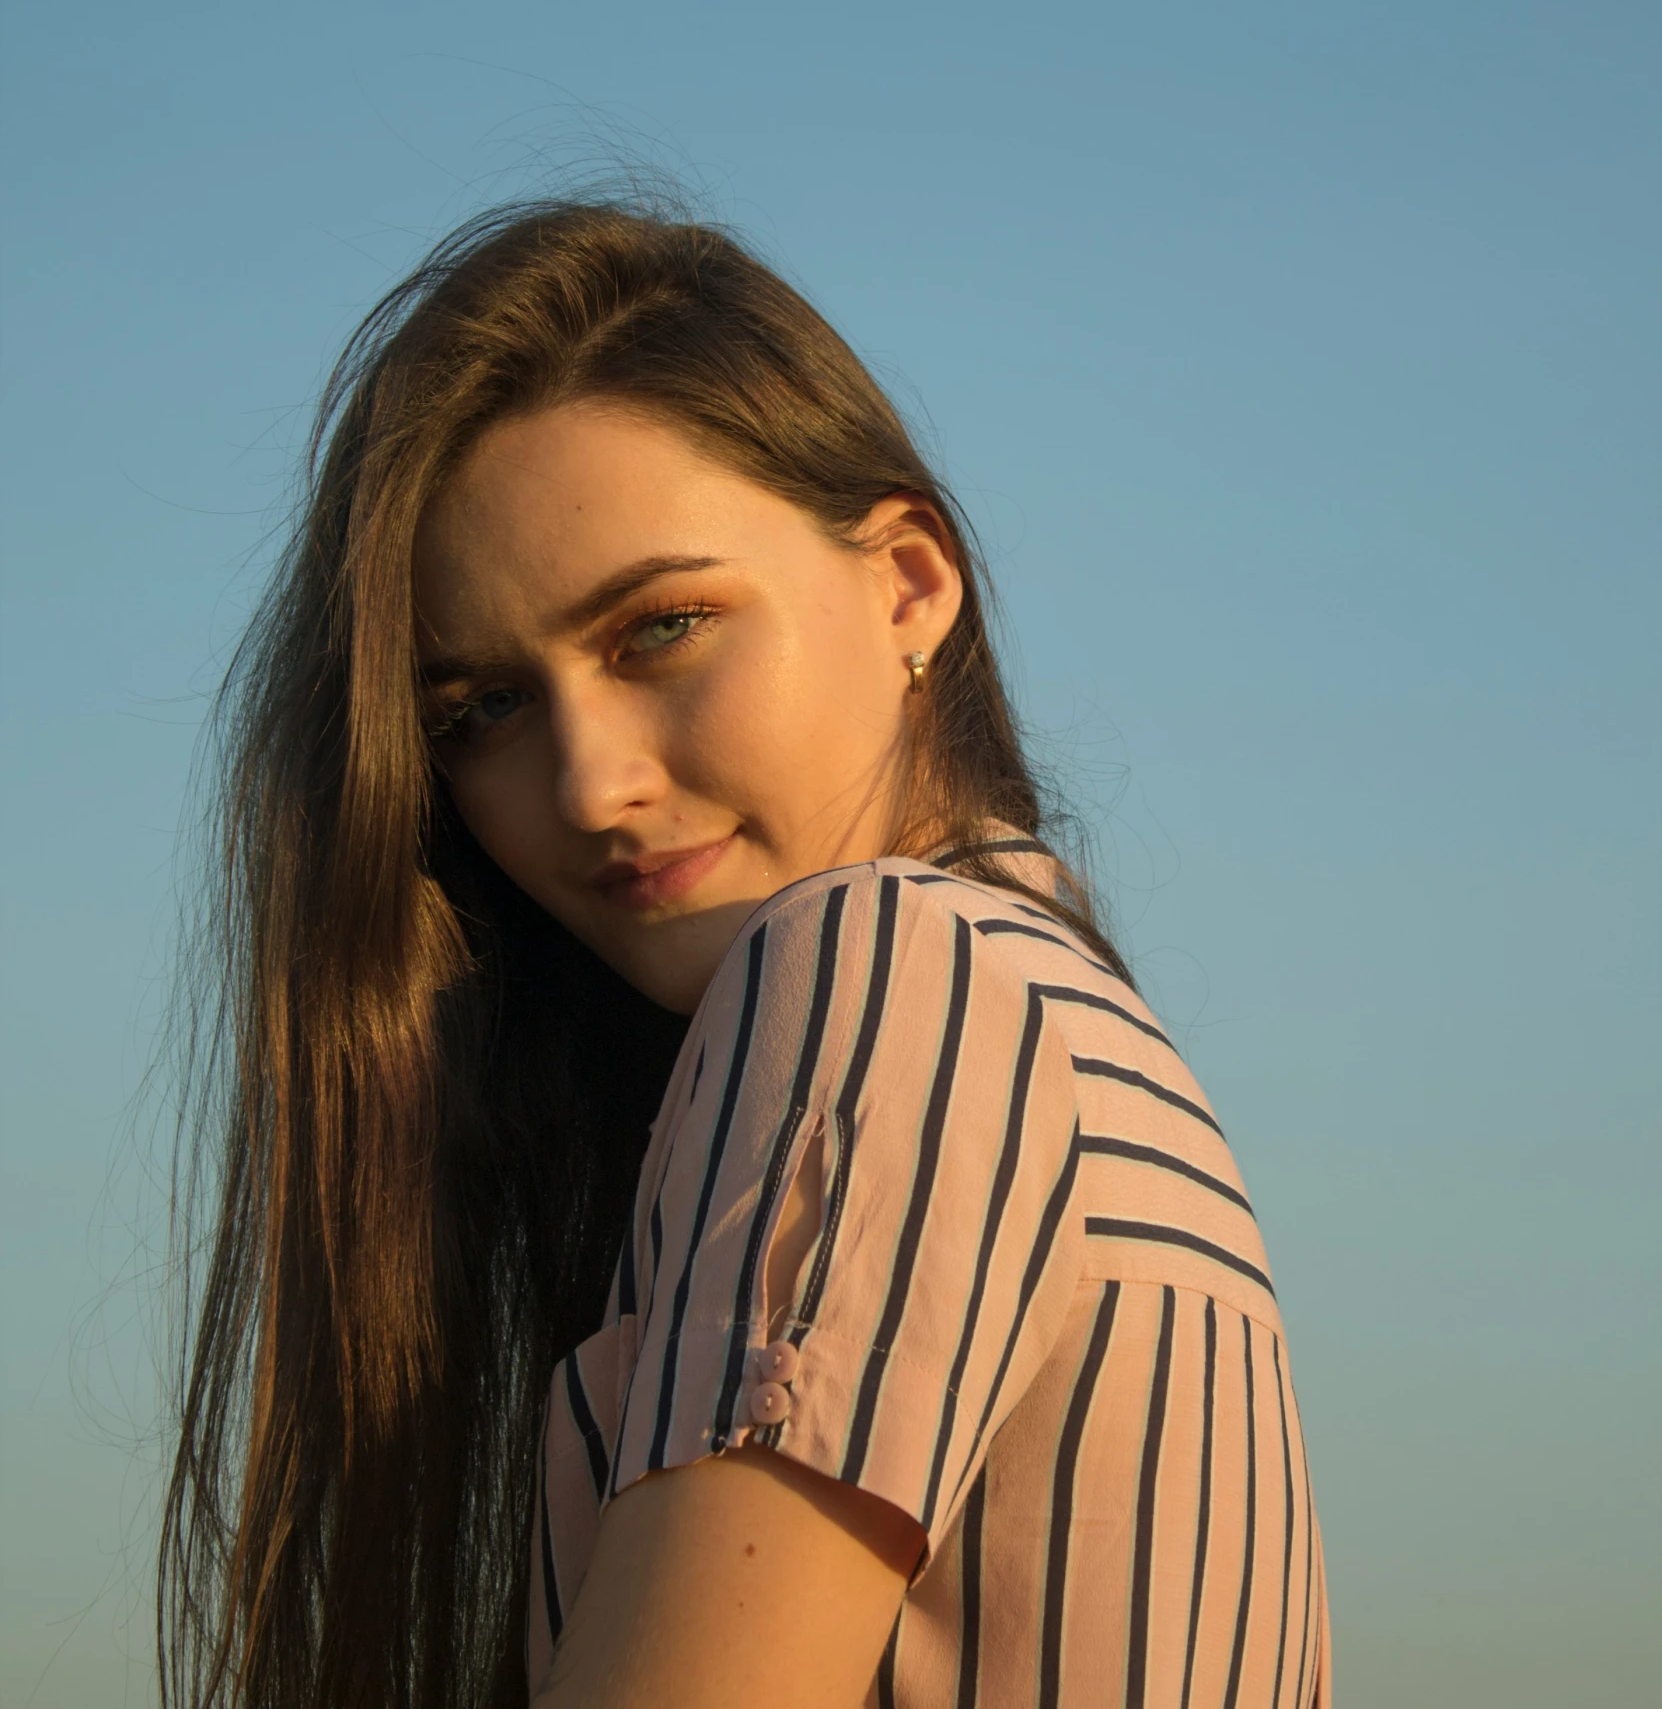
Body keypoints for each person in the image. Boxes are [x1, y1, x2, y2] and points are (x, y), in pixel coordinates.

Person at [160, 201, 1331, 1709]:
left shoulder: (895, 968)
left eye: (662, 629)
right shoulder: (1075, 1032)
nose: (587, 786)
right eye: (482, 713)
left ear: (907, 583)